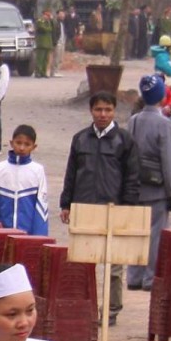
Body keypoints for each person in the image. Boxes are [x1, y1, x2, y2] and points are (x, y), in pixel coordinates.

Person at [59, 92, 140, 326]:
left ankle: (111, 310)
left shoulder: (125, 141)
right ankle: (84, 307)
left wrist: (127, 210)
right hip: (84, 208)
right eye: (98, 109)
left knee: (114, 266)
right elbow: (71, 173)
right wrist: (66, 203)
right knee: (83, 263)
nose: (103, 114)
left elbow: (132, 178)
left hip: (114, 209)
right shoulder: (80, 139)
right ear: (91, 111)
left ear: (114, 111)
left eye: (107, 110)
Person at [126, 76, 171, 291]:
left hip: (136, 185)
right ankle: (150, 278)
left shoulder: (134, 120)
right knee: (156, 235)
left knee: (135, 232)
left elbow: (128, 154)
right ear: (161, 96)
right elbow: (169, 162)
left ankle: (133, 276)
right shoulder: (164, 124)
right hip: (157, 188)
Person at [0, 124, 50, 235]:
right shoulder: (0, 168)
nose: (22, 148)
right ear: (11, 143)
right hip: (2, 233)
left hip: (27, 234)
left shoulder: (37, 170)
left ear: (34, 147)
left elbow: (41, 207)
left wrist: (39, 237)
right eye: (18, 143)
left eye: (27, 144)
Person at [34, 9, 55, 77]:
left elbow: (54, 27)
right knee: (40, 59)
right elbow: (43, 28)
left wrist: (52, 20)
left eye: (49, 15)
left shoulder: (49, 22)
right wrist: (49, 28)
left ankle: (43, 72)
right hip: (41, 43)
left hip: (48, 43)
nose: (48, 17)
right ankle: (38, 72)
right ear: (43, 15)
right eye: (46, 15)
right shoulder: (40, 21)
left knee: (46, 59)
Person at [52, 9, 67, 76]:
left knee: (60, 58)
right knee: (56, 58)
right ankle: (54, 72)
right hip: (58, 42)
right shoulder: (55, 23)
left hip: (62, 42)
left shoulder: (62, 23)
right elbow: (54, 33)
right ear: (57, 15)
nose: (62, 16)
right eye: (61, 14)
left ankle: (57, 71)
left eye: (63, 14)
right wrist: (55, 41)